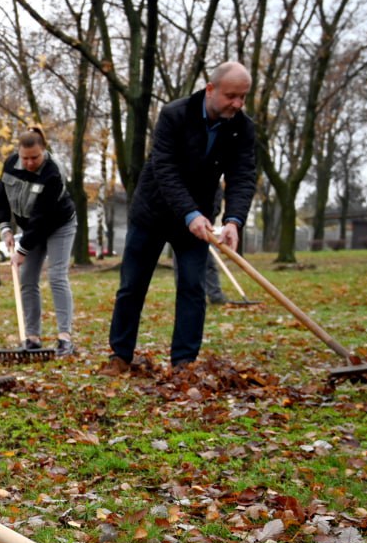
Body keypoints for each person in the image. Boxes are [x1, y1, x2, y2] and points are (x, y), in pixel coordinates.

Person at [103, 61, 256, 373]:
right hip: (154, 212)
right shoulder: (175, 114)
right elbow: (165, 169)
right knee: (132, 285)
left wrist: (233, 220)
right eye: (231, 96)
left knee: (192, 287)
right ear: (210, 89)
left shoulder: (242, 126)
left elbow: (242, 175)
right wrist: (190, 213)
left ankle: (184, 363)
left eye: (243, 97)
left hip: (198, 219)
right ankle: (120, 356)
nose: (237, 104)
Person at [0, 127, 77, 356]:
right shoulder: (10, 165)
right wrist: (6, 229)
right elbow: (0, 197)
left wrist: (22, 248)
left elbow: (42, 217)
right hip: (30, 226)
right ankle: (32, 338)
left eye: (35, 157)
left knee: (57, 276)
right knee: (27, 279)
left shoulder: (53, 172)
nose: (29, 163)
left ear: (44, 151)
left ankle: (65, 338)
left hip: (58, 224)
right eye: (25, 158)